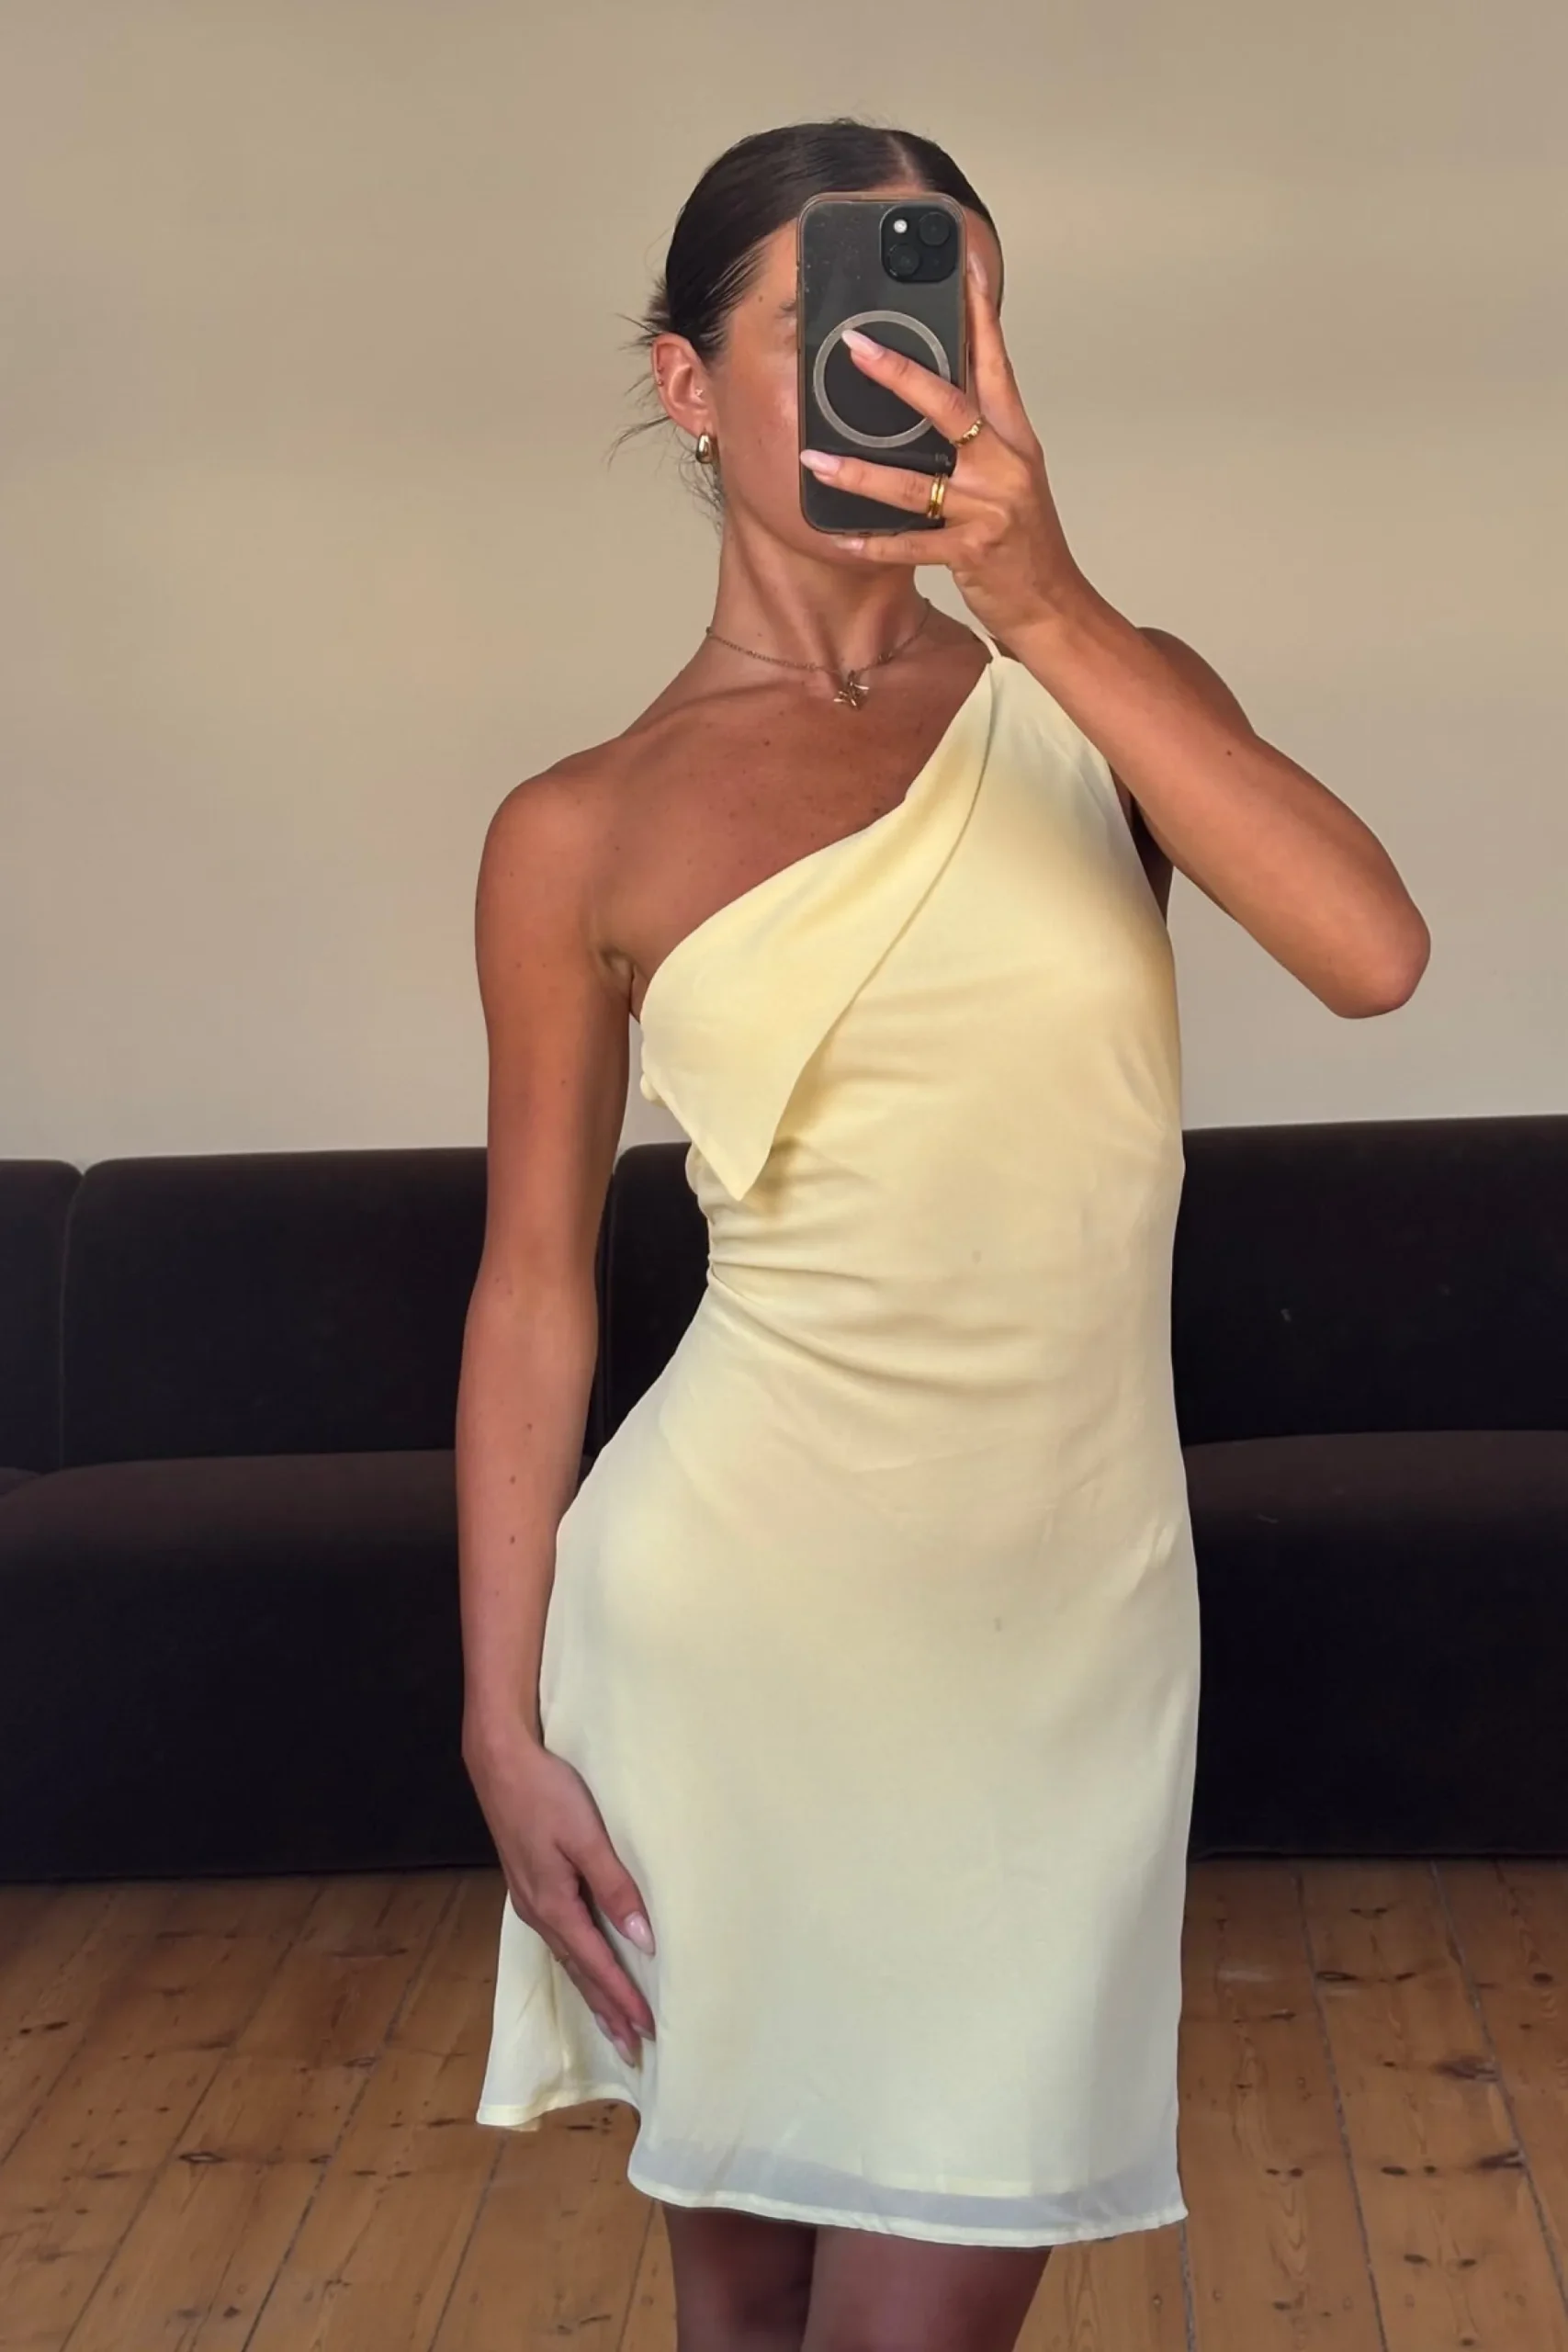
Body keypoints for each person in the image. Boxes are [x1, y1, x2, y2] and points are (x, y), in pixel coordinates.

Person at [456, 118, 1429, 2352]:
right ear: (690, 384)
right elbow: (533, 1285)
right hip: (727, 1625)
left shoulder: (1100, 691)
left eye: (956, 323)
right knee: (746, 2301)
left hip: (1060, 1635)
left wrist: (1049, 604)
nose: (910, 372)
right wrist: (500, 1721)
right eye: (840, 327)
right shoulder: (576, 825)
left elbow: (1371, 953)